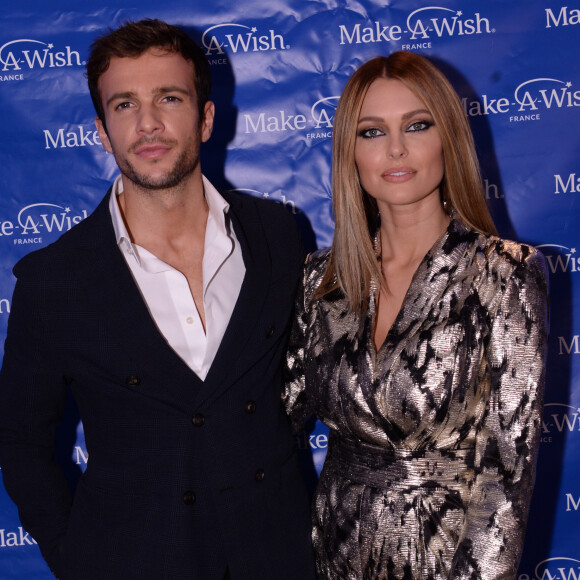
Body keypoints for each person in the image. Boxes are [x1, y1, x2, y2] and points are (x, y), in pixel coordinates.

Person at [0, 19, 315, 580]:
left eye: (169, 97)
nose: (147, 123)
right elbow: (22, 448)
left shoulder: (278, 237)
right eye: (124, 105)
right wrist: (79, 561)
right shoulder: (54, 281)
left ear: (207, 117)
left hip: (277, 557)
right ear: (102, 130)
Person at [284, 51, 548, 579]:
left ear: (447, 137)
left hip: (446, 561)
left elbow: (506, 475)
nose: (396, 149)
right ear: (349, 153)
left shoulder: (504, 274)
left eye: (417, 125)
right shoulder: (320, 279)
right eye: (372, 132)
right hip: (329, 557)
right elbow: (273, 421)